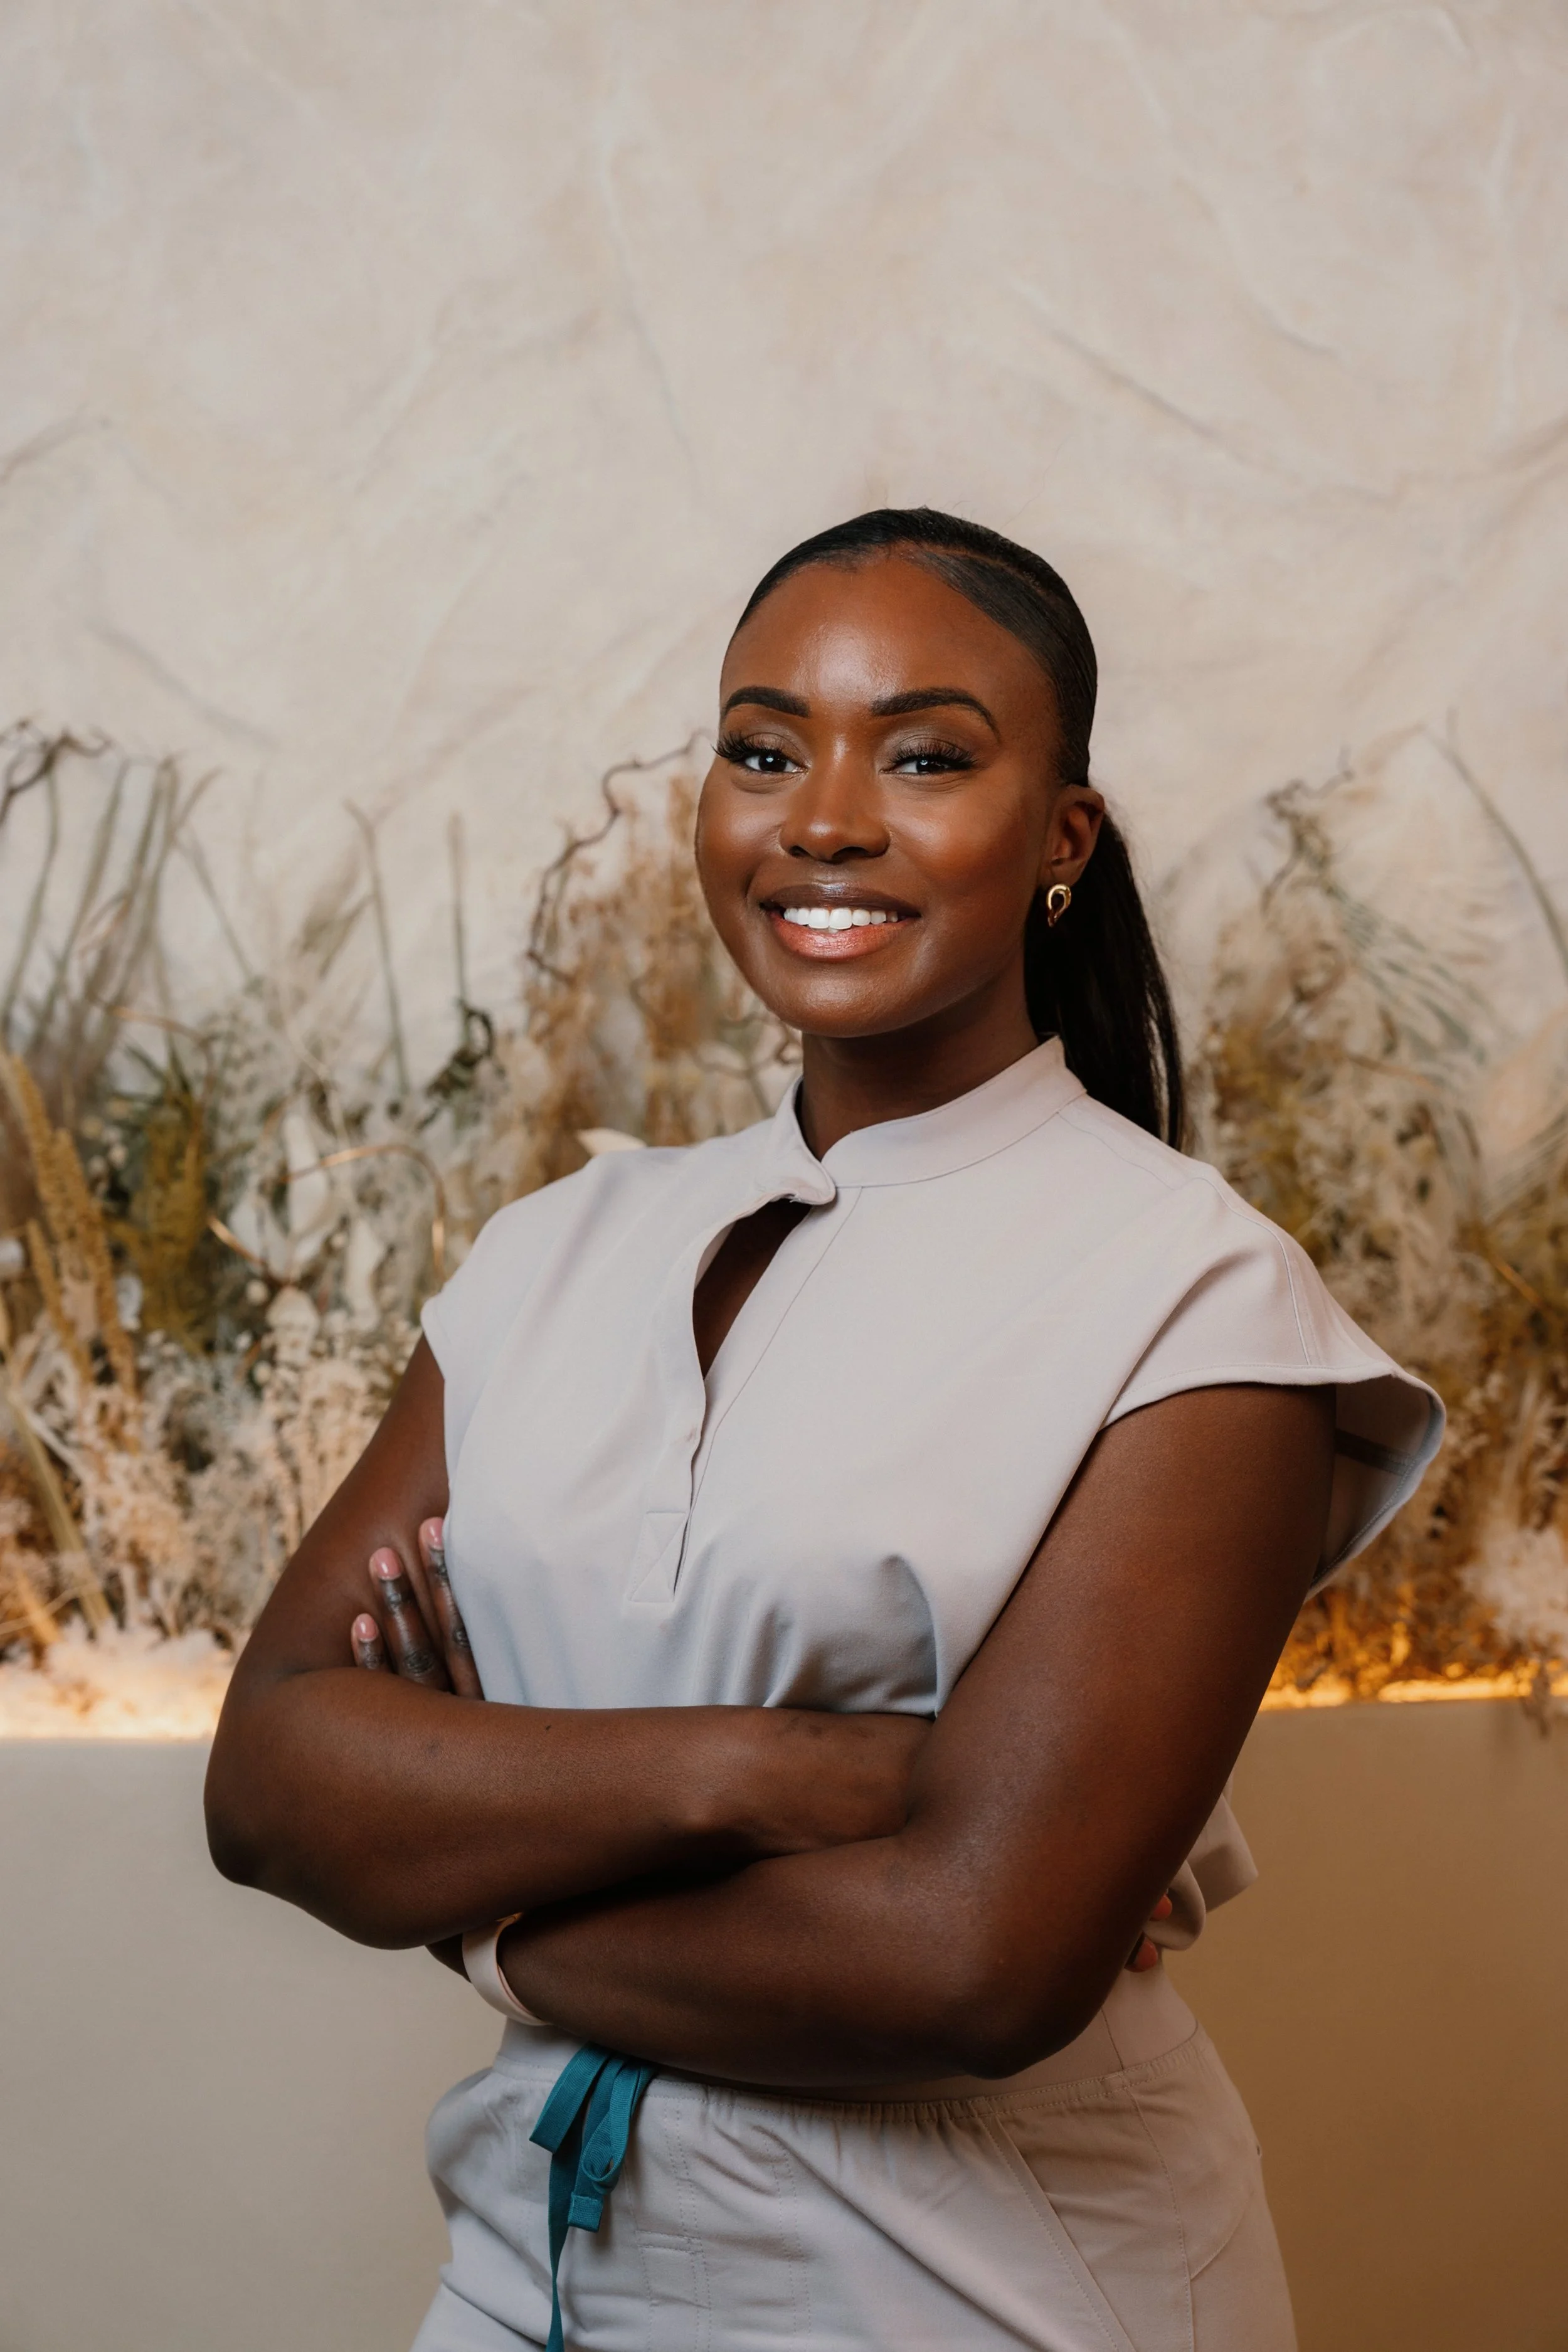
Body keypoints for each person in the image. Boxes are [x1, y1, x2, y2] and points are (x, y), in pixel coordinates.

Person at [206, 509, 1442, 2352]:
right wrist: (776, 1767)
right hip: (522, 2266)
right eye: (763, 749)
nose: (823, 818)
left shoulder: (1195, 1301)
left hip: (972, 2294)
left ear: (1060, 839)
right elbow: (273, 1780)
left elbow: (969, 1959)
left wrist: (481, 1896)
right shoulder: (554, 1254)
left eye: (927, 754)